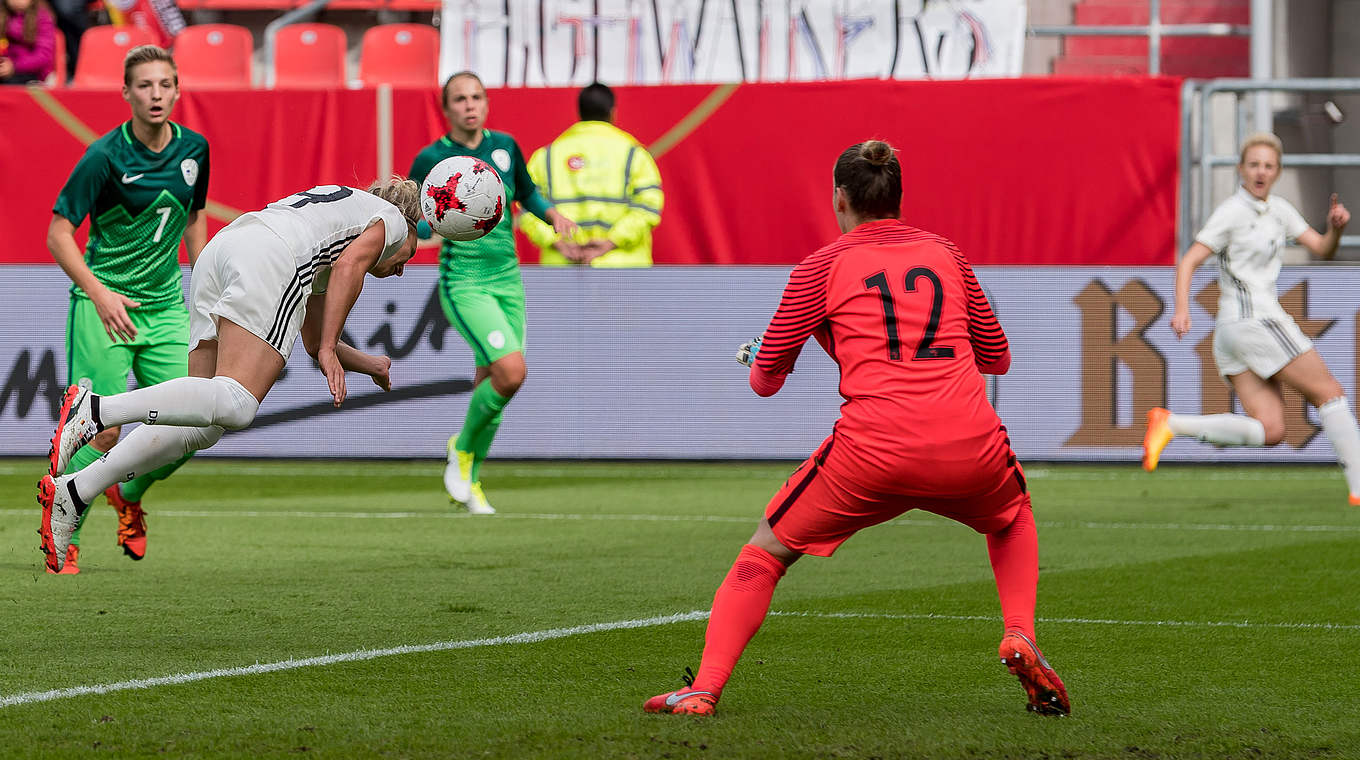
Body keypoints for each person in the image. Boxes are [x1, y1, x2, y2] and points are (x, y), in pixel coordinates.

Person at [643, 140, 1070, 717]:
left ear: (839, 198)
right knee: (1013, 517)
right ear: (897, 198)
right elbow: (997, 359)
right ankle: (1019, 632)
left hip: (873, 451)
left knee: (764, 554)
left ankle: (704, 689)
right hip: (970, 441)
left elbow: (764, 382)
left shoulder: (819, 268)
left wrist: (797, 347)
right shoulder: (947, 254)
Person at [38, 178, 420, 573]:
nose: (402, 268)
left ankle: (76, 490)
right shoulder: (392, 219)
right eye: (410, 251)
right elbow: (349, 268)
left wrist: (367, 363)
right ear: (408, 221)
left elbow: (312, 336)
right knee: (238, 405)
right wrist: (329, 347)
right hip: (271, 257)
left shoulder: (339, 222)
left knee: (202, 424)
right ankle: (95, 408)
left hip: (224, 249)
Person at [44, 44, 209, 573]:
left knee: (194, 424)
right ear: (126, 93)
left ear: (178, 89)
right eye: (144, 86)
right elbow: (58, 233)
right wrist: (99, 292)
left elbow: (193, 221)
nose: (156, 94)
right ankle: (62, 531)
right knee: (101, 431)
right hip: (103, 305)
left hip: (166, 308)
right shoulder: (104, 156)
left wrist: (204, 293)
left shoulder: (196, 150)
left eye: (165, 84)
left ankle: (127, 489)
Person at [1143, 133, 1360, 505]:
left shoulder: (1279, 210)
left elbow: (1323, 249)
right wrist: (1181, 308)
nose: (1261, 171)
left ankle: (1171, 424)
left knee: (1271, 429)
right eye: (1254, 164)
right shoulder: (1231, 212)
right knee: (1330, 393)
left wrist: (1335, 228)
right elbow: (1190, 260)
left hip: (1233, 333)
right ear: (1241, 169)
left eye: (1269, 165)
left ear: (1277, 172)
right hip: (1255, 321)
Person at [408, 71, 575, 515]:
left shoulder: (505, 146)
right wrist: (440, 219)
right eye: (460, 99)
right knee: (512, 372)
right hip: (464, 281)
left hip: (508, 279)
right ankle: (461, 450)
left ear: (486, 103)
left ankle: (471, 478)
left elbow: (526, 193)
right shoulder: (432, 159)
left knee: (494, 383)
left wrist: (551, 216)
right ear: (446, 109)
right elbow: (415, 219)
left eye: (476, 97)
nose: (470, 105)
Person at [520, 81, 663, 267]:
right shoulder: (635, 155)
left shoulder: (546, 157)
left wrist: (558, 243)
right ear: (613, 112)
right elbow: (648, 208)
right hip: (624, 272)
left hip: (562, 270)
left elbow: (528, 207)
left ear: (579, 113)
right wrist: (611, 242)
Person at [0, 0, 56, 84]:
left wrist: (14, 66)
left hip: (34, 73)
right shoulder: (3, 16)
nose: (17, 1)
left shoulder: (42, 18)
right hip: (7, 69)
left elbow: (43, 56)